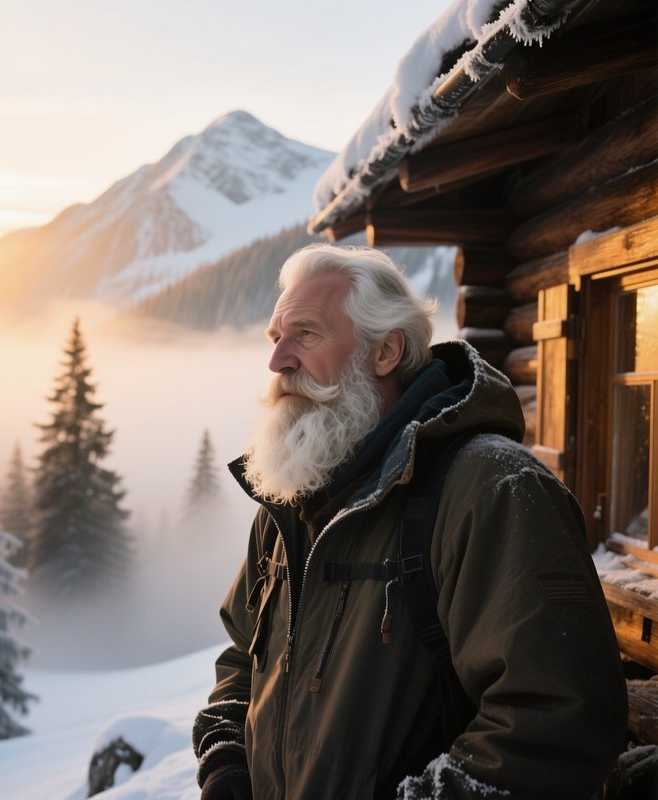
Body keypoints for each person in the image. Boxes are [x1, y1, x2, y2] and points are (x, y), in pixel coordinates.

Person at [192, 244, 627, 800]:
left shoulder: (489, 489)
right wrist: (227, 765)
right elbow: (242, 654)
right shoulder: (292, 493)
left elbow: (557, 718)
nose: (278, 363)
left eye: (305, 334)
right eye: (276, 340)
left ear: (385, 351)